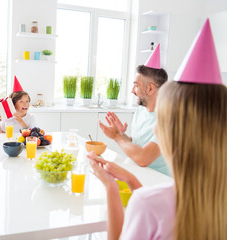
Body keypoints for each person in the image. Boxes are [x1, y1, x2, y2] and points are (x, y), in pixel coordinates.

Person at [88, 19, 227, 240]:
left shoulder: (150, 205)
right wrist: (133, 182)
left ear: (175, 134)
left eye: (162, 122)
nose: (156, 127)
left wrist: (111, 189)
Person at [100, 44, 169, 175]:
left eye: (136, 86)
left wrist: (116, 137)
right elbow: (137, 146)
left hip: (160, 182)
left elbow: (143, 158)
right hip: (139, 174)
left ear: (150, 88)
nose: (132, 91)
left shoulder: (169, 120)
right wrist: (122, 135)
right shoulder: (141, 111)